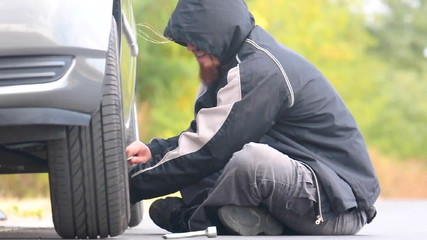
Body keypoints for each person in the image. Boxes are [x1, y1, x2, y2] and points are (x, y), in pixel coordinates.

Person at [126, 0, 380, 236]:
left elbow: (211, 149)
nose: (190, 45)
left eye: (195, 35)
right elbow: (209, 135)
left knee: (251, 160)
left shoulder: (259, 70)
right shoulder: (234, 65)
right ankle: (256, 219)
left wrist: (124, 188)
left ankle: (193, 220)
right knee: (212, 164)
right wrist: (154, 151)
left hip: (334, 206)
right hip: (302, 191)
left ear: (218, 28)